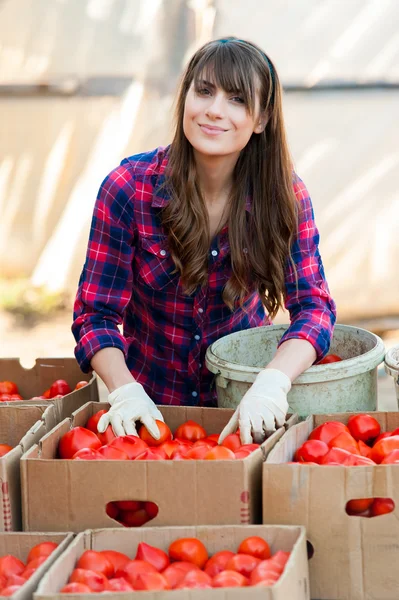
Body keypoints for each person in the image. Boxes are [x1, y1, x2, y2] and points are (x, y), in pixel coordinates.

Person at [72, 36, 336, 445]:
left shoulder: (285, 196)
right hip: (151, 413)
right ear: (186, 98)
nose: (214, 110)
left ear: (262, 119)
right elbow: (95, 315)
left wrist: (273, 382)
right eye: (205, 91)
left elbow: (314, 308)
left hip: (245, 411)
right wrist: (124, 390)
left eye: (237, 98)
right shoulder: (127, 189)